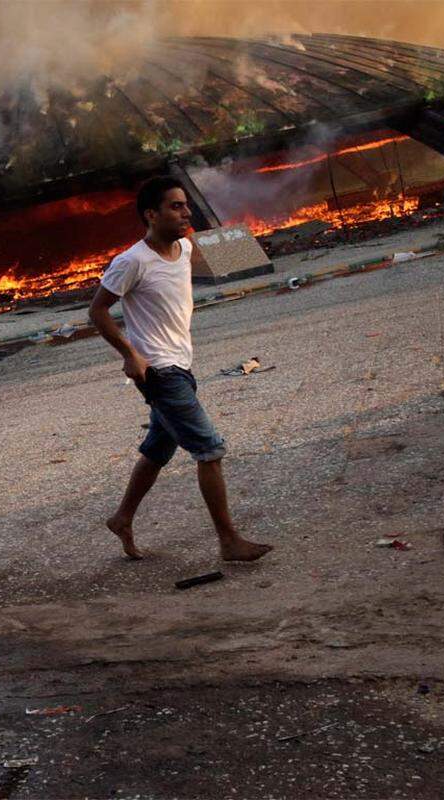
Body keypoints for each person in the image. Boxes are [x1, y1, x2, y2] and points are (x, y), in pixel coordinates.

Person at [88, 176, 273, 563]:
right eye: (175, 206)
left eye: (186, 205)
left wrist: (247, 238)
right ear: (150, 215)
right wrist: (129, 354)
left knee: (158, 448)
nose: (186, 212)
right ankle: (228, 541)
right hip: (159, 370)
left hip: (182, 365)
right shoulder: (131, 261)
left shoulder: (185, 249)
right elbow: (97, 310)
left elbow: (246, 253)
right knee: (209, 450)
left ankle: (122, 517)